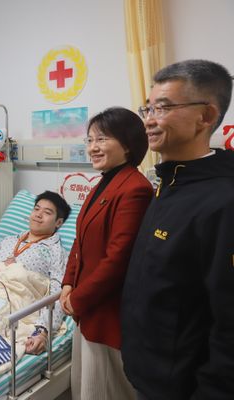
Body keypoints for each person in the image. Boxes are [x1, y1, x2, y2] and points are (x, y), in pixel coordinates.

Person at [121, 60, 234, 399]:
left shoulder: (223, 201)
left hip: (185, 387)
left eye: (163, 108)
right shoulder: (170, 183)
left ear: (206, 116)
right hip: (150, 374)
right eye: (148, 108)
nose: (149, 120)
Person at [60, 107, 153, 400]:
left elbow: (118, 259)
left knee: (103, 390)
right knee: (84, 388)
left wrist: (78, 298)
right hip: (86, 307)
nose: (93, 147)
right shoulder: (103, 183)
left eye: (102, 139)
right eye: (89, 140)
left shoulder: (135, 188)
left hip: (107, 312)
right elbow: (79, 241)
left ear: (128, 143)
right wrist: (67, 283)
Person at [0, 190, 71, 355]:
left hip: (12, 302)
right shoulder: (8, 241)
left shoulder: (56, 252)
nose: (38, 215)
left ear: (58, 222)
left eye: (47, 212)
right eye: (36, 209)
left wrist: (43, 330)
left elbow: (57, 293)